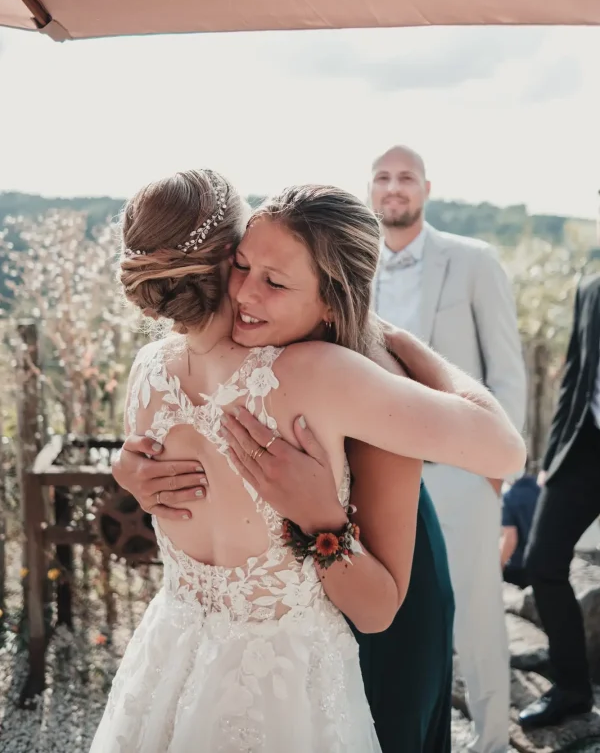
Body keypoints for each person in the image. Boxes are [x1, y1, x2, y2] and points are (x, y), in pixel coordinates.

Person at [94, 170, 524, 752]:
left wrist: (323, 516)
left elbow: (502, 452)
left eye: (275, 281)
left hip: (361, 598)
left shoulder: (160, 368)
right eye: (244, 266)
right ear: (223, 257)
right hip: (283, 661)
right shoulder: (297, 372)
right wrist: (129, 477)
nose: (246, 294)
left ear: (331, 298)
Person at [370, 145, 527, 753]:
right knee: (403, 615)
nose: (393, 188)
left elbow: (507, 372)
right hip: (386, 472)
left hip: (462, 468)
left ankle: (491, 740)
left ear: (426, 189)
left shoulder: (473, 261)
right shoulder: (353, 269)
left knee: (479, 613)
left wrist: (495, 469)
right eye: (382, 178)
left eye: (405, 177)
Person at [519, 273, 600, 729]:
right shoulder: (591, 289)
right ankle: (572, 688)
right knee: (542, 563)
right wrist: (552, 456)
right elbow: (576, 373)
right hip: (584, 448)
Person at [500, 474, 540, 589]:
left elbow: (510, 539)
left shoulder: (509, 497)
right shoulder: (542, 490)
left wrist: (499, 564)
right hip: (546, 564)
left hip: (521, 568)